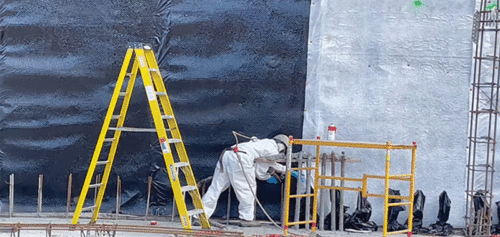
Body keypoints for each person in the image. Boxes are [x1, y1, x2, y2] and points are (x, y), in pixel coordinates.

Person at [201, 134, 289, 227]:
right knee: (248, 189)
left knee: (216, 188)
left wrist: (283, 169)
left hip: (227, 153)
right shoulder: (273, 150)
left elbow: (268, 163)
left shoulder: (263, 142)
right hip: (241, 158)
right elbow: (260, 172)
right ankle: (246, 218)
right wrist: (269, 176)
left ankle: (201, 215)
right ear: (283, 146)